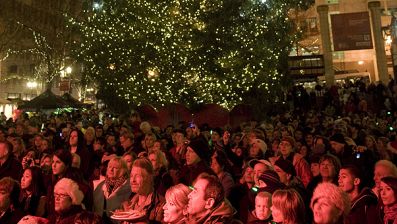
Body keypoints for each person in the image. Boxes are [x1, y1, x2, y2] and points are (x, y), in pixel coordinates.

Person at [120, 158, 165, 223]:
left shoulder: (161, 205)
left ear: (149, 178)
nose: (133, 180)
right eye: (131, 176)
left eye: (137, 176)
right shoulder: (129, 203)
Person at [93, 157, 131, 223]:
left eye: (115, 168)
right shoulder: (100, 185)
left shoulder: (128, 186)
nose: (111, 170)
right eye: (109, 166)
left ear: (123, 171)